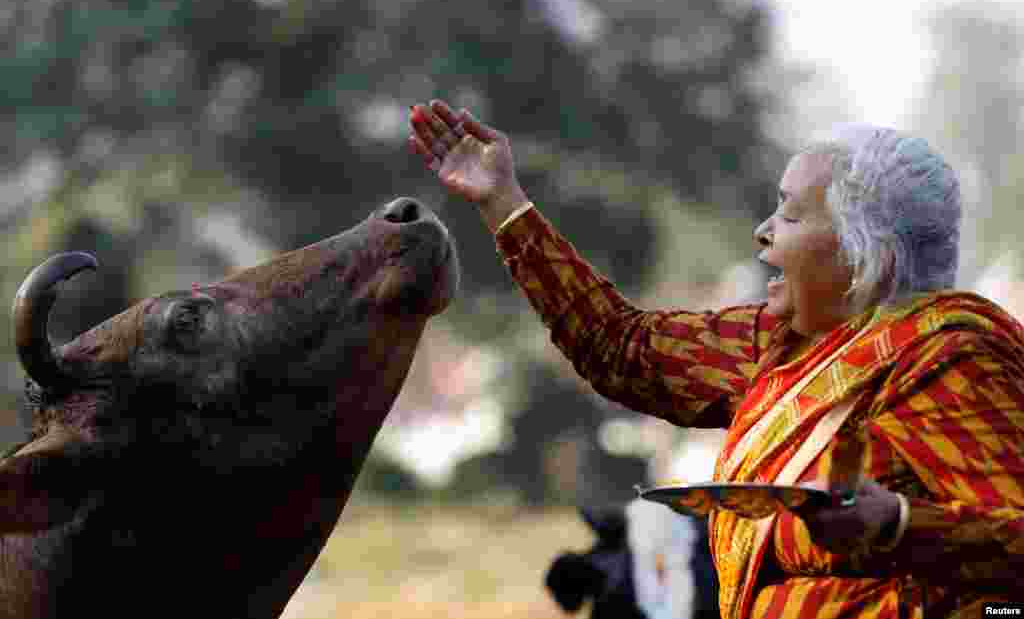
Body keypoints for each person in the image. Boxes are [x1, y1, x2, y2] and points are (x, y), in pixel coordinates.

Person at [407, 100, 1024, 619]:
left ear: (863, 255)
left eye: (788, 212)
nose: (762, 231)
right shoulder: (779, 341)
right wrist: (502, 201)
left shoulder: (956, 358)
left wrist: (897, 524)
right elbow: (618, 346)